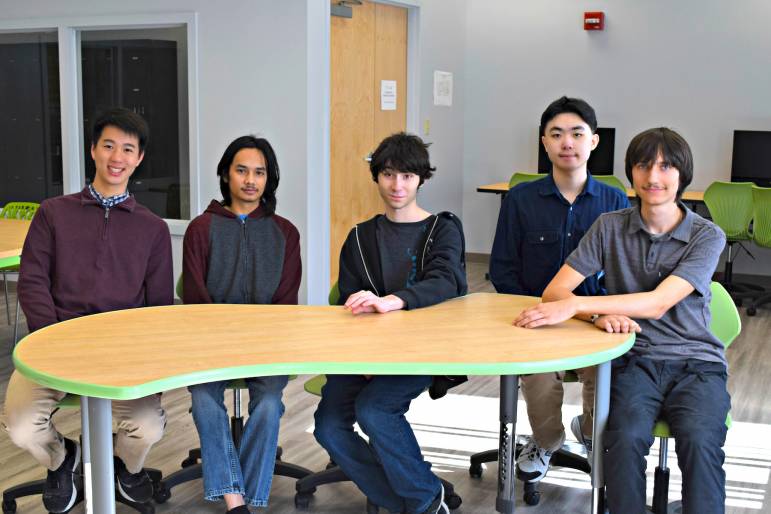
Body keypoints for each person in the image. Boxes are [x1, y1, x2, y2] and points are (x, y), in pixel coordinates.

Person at [514, 127, 729, 514]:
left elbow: (658, 303)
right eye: (643, 165)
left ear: (683, 174)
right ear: (631, 172)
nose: (653, 176)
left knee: (700, 441)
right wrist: (597, 313)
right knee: (624, 440)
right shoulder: (610, 226)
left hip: (696, 363)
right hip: (634, 359)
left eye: (666, 166)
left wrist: (577, 305)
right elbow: (555, 291)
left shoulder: (707, 235)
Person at [3, 107, 172, 512]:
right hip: (55, 349)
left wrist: (150, 369)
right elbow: (32, 282)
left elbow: (159, 307)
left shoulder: (153, 228)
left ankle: (123, 467)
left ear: (139, 158)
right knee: (21, 425)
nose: (117, 157)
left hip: (122, 356)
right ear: (93, 150)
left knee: (148, 426)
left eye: (127, 149)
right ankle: (63, 460)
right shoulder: (53, 213)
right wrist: (53, 341)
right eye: (108, 146)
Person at [313, 132, 467, 514]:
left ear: (421, 179)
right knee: (328, 426)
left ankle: (422, 501)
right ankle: (415, 499)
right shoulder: (360, 237)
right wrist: (366, 357)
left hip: (420, 352)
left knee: (374, 410)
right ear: (377, 177)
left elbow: (446, 281)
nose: (397, 185)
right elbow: (349, 299)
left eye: (407, 176)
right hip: (364, 354)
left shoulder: (442, 229)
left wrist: (393, 301)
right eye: (388, 174)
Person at [490, 96, 629, 482]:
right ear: (544, 142)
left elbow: (620, 273)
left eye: (577, 134)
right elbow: (503, 269)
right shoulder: (520, 199)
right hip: (535, 317)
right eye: (556, 134)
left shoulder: (614, 201)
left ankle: (590, 431)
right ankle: (547, 440)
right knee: (537, 377)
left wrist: (599, 313)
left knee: (607, 372)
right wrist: (533, 313)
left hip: (592, 319)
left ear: (594, 141)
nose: (567, 142)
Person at [182, 135, 300, 514]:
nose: (251, 180)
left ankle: (240, 498)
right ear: (225, 175)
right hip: (210, 344)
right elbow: (195, 299)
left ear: (269, 179)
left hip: (268, 345)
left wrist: (262, 341)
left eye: (259, 173)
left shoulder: (285, 232)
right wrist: (220, 340)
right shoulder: (201, 228)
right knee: (204, 401)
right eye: (242, 170)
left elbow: (286, 303)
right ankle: (238, 502)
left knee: (268, 405)